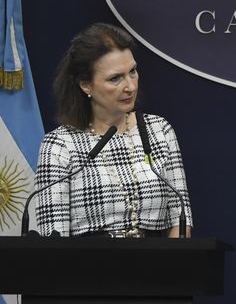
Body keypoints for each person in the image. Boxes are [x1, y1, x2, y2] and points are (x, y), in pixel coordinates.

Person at [33, 23, 193, 238]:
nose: (130, 86)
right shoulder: (60, 146)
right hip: (85, 269)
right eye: (115, 78)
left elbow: (180, 221)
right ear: (85, 85)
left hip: (157, 267)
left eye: (133, 72)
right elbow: (53, 238)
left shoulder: (159, 131)